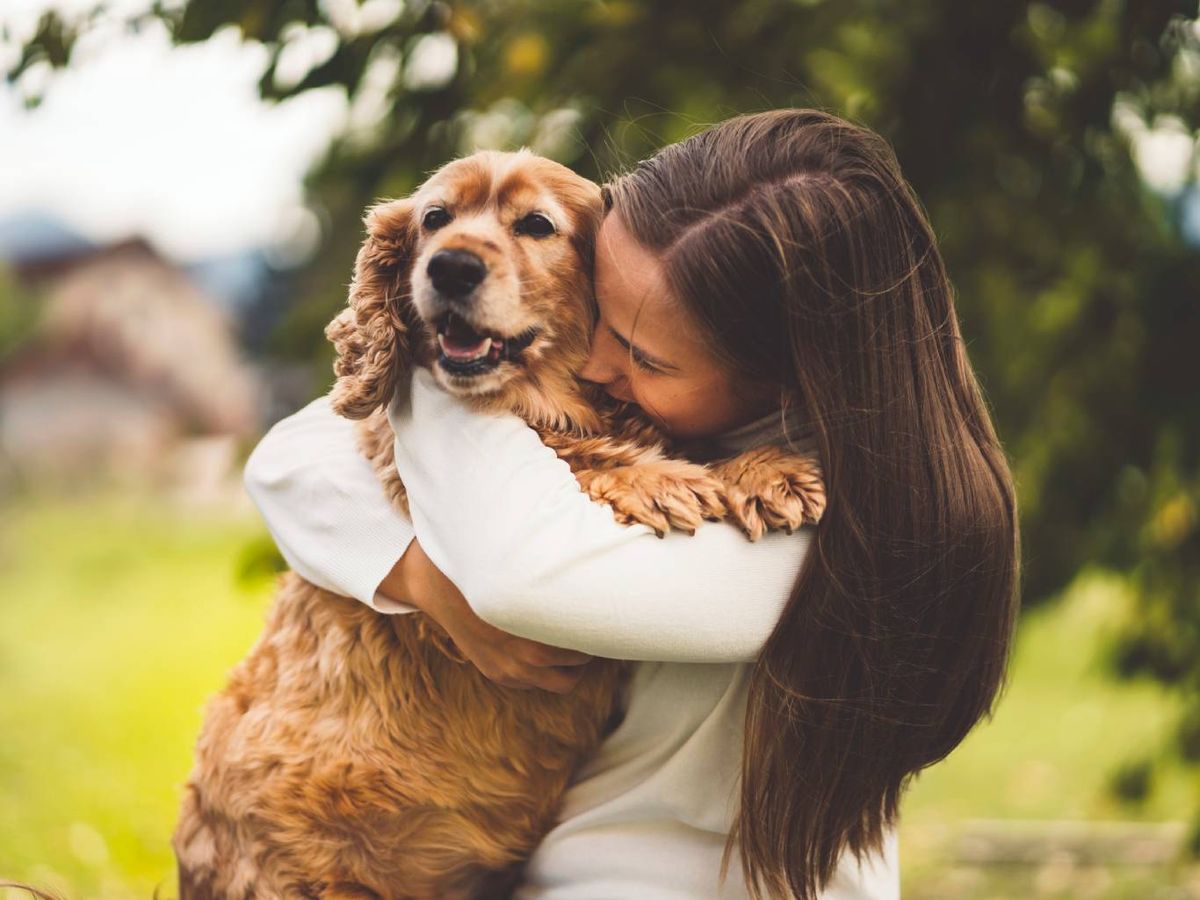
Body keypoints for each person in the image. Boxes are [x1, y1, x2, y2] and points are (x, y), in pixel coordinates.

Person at [243, 109, 1020, 900]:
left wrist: (432, 345)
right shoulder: (666, 418)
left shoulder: (818, 523)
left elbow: (515, 576)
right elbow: (290, 457)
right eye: (600, 316)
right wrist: (414, 574)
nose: (596, 362)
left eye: (641, 351)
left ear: (782, 377)